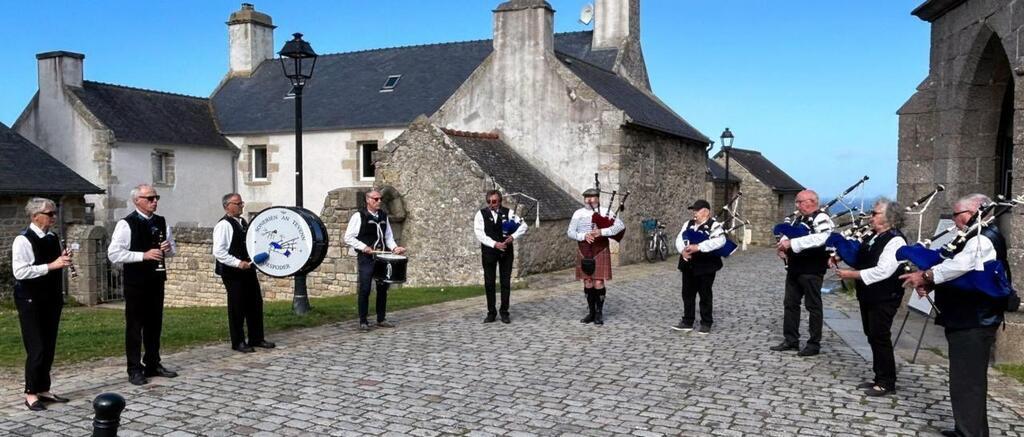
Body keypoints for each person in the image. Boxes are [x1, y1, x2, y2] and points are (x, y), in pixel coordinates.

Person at [901, 194, 1009, 437]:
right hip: (965, 317)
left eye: (957, 215)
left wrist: (926, 276)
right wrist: (932, 282)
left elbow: (959, 266)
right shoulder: (973, 236)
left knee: (968, 381)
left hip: (975, 319)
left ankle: (970, 433)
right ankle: (969, 429)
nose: (954, 220)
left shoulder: (984, 238)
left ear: (973, 214)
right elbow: (957, 271)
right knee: (965, 380)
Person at [833, 198, 906, 397]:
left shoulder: (895, 240)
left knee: (880, 336)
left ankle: (886, 381)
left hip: (885, 295)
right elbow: (861, 256)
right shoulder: (873, 236)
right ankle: (878, 376)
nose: (870, 217)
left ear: (889, 217)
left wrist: (850, 275)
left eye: (875, 214)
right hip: (869, 294)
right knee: (871, 334)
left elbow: (882, 271)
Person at [107, 184, 178, 386]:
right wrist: (143, 255)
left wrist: (167, 248)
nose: (154, 201)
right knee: (135, 326)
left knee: (155, 324)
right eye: (149, 198)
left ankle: (153, 363)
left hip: (156, 279)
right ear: (137, 200)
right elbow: (114, 254)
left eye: (156, 198)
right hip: (136, 282)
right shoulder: (126, 224)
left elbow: (172, 251)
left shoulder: (161, 222)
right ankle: (134, 368)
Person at [11, 198, 72, 411]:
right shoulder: (23, 240)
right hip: (30, 299)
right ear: (35, 216)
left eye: (54, 213)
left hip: (51, 297)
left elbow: (53, 264)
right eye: (50, 214)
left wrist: (62, 260)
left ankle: (44, 388)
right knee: (36, 347)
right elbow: (20, 271)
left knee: (49, 345)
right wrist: (52, 265)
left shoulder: (53, 237)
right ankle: (30, 393)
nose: (54, 217)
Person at [771, 189, 834, 357]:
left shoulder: (822, 218)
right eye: (797, 202)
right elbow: (788, 235)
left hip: (812, 269)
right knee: (790, 304)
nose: (797, 205)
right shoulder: (799, 219)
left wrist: (792, 243)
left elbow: (821, 238)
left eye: (800, 202)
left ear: (811, 201)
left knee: (813, 306)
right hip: (795, 267)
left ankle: (814, 344)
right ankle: (791, 339)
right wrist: (782, 246)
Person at [213, 193, 275, 353]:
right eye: (238, 203)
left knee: (255, 302)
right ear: (228, 206)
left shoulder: (243, 222)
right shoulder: (224, 225)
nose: (241, 205)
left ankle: (256, 337)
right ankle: (238, 341)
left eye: (241, 203)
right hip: (232, 273)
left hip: (248, 269)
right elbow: (219, 251)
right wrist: (237, 263)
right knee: (237, 306)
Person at [343, 190, 406, 332]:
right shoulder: (359, 216)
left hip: (381, 258)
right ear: (368, 200)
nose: (379, 201)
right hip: (366, 258)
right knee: (365, 289)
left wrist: (395, 248)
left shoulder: (383, 216)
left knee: (383, 288)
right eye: (376, 199)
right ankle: (363, 321)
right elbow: (348, 237)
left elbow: (388, 237)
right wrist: (363, 247)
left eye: (380, 199)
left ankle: (381, 318)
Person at [567, 188, 625, 325]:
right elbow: (570, 232)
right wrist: (583, 235)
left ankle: (599, 312)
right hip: (584, 249)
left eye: (592, 197)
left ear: (598, 198)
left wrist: (601, 231)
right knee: (587, 281)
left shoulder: (606, 212)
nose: (589, 200)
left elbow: (620, 227)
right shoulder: (578, 213)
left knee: (598, 282)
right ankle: (591, 312)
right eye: (587, 197)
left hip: (600, 249)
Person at [473, 190, 528, 324]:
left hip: (506, 252)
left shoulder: (509, 213)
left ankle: (504, 312)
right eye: (489, 201)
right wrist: (494, 244)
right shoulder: (481, 214)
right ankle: (491, 312)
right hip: (489, 252)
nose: (492, 204)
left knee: (505, 282)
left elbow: (524, 226)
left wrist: (513, 237)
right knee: (489, 282)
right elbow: (479, 234)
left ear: (500, 200)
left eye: (494, 201)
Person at [672, 199, 725, 334]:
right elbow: (680, 238)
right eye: (693, 210)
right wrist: (683, 250)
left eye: (697, 211)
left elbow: (720, 241)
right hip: (688, 264)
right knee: (687, 294)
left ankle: (706, 322)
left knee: (705, 294)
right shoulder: (688, 224)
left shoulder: (714, 225)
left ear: (706, 212)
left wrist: (699, 247)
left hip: (706, 266)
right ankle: (687, 321)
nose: (694, 213)